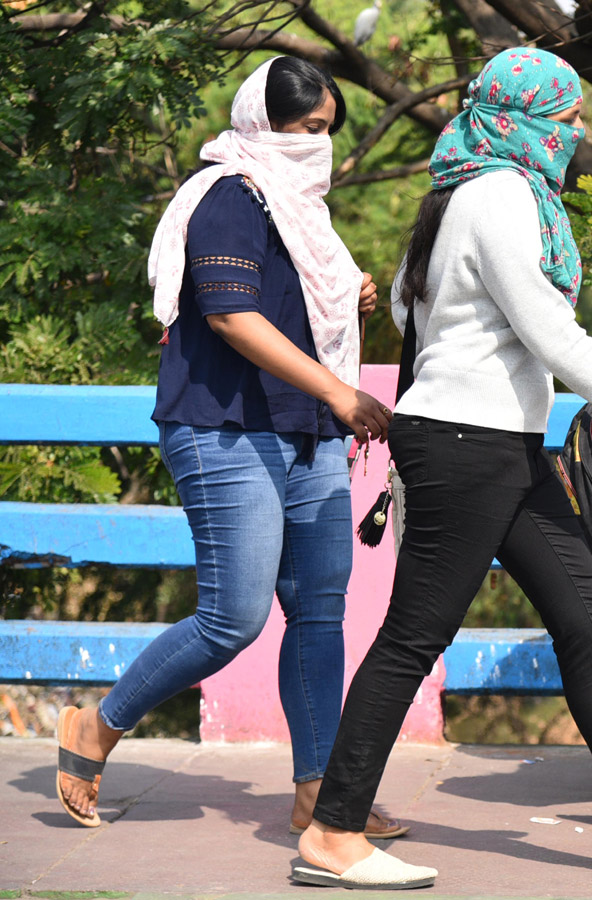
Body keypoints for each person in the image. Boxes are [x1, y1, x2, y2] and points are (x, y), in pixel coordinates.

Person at [292, 48, 592, 889]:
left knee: (586, 621)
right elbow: (549, 333)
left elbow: (416, 307)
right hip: (464, 447)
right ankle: (332, 831)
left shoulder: (460, 193)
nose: (577, 131)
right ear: (525, 120)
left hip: (506, 445)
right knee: (415, 636)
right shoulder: (497, 194)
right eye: (567, 116)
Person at [53, 56, 405, 840]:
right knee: (234, 617)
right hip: (223, 430)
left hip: (304, 432)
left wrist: (347, 294)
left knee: (318, 613)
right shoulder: (227, 196)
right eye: (307, 128)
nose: (319, 145)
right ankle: (97, 727)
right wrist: (341, 393)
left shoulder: (301, 208)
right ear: (262, 123)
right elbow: (231, 318)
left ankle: (318, 793)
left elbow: (292, 295)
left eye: (328, 133)